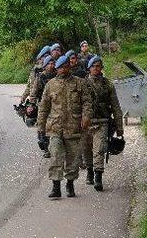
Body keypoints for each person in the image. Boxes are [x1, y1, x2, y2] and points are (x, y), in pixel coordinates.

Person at [37, 55, 92, 199]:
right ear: (56, 68)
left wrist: (86, 117)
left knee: (73, 159)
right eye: (60, 67)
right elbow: (43, 107)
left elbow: (87, 102)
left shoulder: (80, 83)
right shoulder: (50, 85)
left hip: (74, 127)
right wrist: (41, 127)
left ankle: (70, 184)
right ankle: (56, 187)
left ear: (69, 67)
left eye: (66, 66)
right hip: (55, 128)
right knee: (55, 156)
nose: (63, 69)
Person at [82, 55, 124, 191]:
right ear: (89, 68)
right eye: (93, 66)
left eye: (98, 66)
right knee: (86, 149)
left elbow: (116, 106)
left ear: (101, 68)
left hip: (102, 122)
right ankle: (89, 170)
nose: (96, 69)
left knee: (99, 149)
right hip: (85, 123)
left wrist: (119, 127)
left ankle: (98, 177)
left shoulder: (108, 85)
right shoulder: (82, 84)